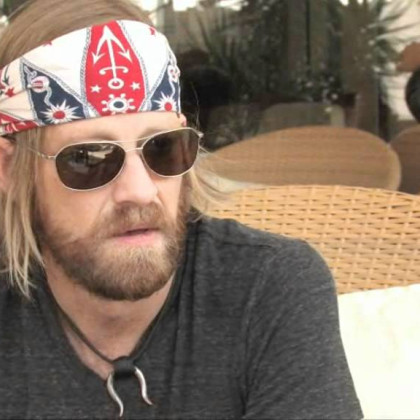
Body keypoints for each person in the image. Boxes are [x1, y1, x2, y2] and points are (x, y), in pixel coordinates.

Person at [0, 0, 363, 418]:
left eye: (162, 148)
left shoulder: (266, 287)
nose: (140, 192)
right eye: (89, 158)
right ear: (10, 169)